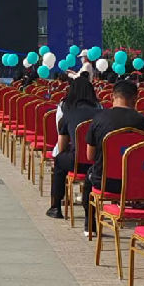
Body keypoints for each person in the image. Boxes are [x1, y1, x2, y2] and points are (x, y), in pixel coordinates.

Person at [82, 80, 144, 234]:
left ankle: (90, 226)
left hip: (105, 182)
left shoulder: (99, 119)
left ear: (112, 96)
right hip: (135, 184)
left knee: (89, 177)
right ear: (135, 98)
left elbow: (90, 156)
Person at [47, 74, 100, 218]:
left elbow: (62, 145)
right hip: (98, 164)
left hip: (77, 162)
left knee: (59, 160)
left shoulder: (68, 112)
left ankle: (56, 206)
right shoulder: (101, 112)